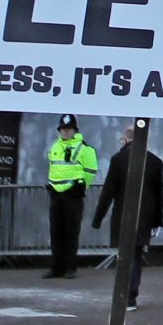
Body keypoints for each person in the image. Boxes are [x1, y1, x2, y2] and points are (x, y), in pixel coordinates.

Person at [89, 125, 163, 308]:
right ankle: (132, 296)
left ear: (125, 139)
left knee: (125, 256)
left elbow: (108, 191)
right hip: (145, 217)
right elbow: (159, 194)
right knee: (136, 256)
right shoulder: (155, 161)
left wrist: (98, 218)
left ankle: (124, 295)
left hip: (123, 216)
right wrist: (158, 221)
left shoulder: (118, 159)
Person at [44, 116, 98, 279]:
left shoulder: (85, 149)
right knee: (56, 232)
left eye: (68, 128)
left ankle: (70, 267)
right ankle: (56, 267)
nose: (65, 131)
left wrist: (81, 187)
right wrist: (52, 186)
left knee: (71, 232)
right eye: (63, 128)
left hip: (73, 194)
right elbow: (54, 168)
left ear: (75, 130)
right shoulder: (55, 147)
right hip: (56, 193)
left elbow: (91, 171)